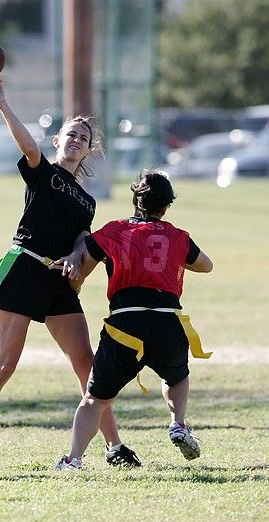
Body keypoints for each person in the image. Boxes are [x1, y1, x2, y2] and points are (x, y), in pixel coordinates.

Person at [0, 76, 140, 477]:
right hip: (23, 269)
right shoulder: (44, 172)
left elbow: (82, 241)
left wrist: (77, 256)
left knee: (88, 365)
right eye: (70, 133)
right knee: (5, 364)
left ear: (90, 150)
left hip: (57, 282)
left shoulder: (87, 200)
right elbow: (25, 145)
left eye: (84, 137)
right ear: (57, 141)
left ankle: (114, 446)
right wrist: (3, 102)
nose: (76, 139)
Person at [56, 168, 213, 470]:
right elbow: (206, 266)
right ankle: (178, 423)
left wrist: (73, 276)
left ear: (135, 200)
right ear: (166, 206)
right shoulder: (178, 236)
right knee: (176, 376)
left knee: (95, 399)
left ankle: (73, 460)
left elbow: (81, 272)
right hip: (168, 322)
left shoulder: (113, 231)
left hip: (125, 326)